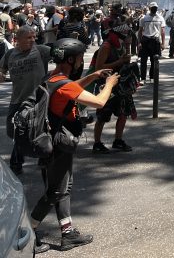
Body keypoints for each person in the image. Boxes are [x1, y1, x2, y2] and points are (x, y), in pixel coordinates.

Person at [30, 37, 120, 253]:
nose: (81, 61)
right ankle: (26, 231)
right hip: (59, 143)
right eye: (80, 57)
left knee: (63, 188)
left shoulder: (52, 78)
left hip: (49, 140)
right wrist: (108, 84)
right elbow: (99, 102)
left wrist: (93, 75)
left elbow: (70, 87)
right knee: (54, 191)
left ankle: (67, 233)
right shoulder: (65, 85)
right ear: (70, 60)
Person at [0, 26, 52, 174]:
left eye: (34, 37)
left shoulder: (41, 50)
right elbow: (1, 68)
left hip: (38, 99)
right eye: (29, 37)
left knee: (43, 130)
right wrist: (1, 74)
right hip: (18, 98)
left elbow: (61, 54)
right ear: (18, 39)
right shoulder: (10, 54)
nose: (33, 40)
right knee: (15, 132)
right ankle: (19, 160)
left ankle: (40, 158)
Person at [91, 22, 135, 153]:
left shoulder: (121, 45)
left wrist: (128, 47)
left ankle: (118, 140)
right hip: (106, 84)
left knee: (123, 113)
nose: (129, 36)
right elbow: (99, 68)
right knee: (103, 115)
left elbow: (125, 61)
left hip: (121, 83)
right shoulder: (106, 46)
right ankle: (97, 143)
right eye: (127, 34)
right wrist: (119, 62)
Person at [138, 2, 165, 83]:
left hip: (155, 41)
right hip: (145, 40)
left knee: (154, 60)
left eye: (156, 8)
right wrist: (139, 42)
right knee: (143, 60)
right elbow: (140, 31)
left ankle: (152, 77)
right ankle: (143, 78)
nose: (154, 9)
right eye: (153, 7)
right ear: (150, 8)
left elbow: (163, 31)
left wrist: (163, 43)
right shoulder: (144, 18)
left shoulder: (160, 18)